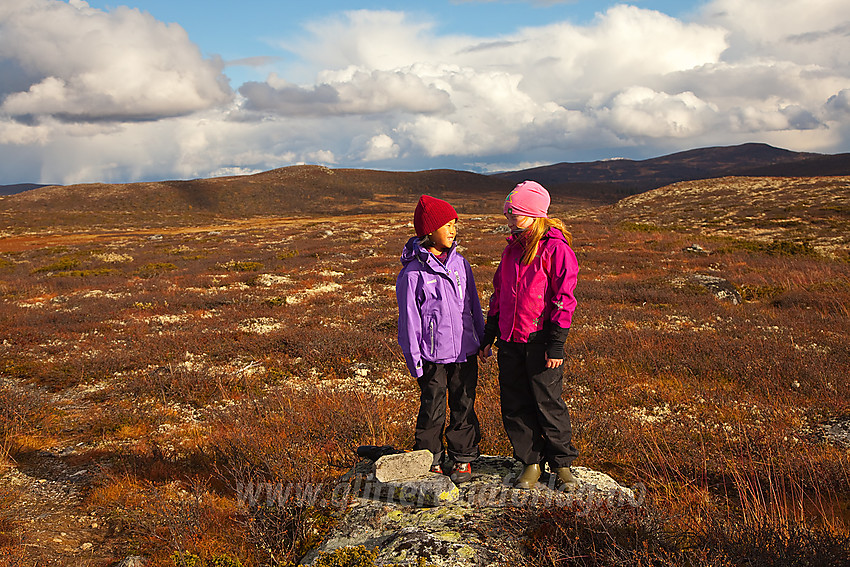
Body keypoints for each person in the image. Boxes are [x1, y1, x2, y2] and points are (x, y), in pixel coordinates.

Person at [479, 180, 580, 490]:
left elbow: (563, 299)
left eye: (516, 214)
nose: (510, 221)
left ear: (535, 215)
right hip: (510, 343)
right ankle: (531, 463)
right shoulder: (510, 251)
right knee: (515, 403)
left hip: (540, 344)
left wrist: (556, 344)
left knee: (548, 403)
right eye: (509, 214)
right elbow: (499, 296)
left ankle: (562, 465)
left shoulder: (556, 249)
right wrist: (489, 336)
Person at [396, 195, 485, 483]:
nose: (452, 230)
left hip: (465, 351)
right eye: (446, 225)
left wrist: (482, 340)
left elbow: (473, 304)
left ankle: (463, 457)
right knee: (432, 407)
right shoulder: (412, 274)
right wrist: (415, 361)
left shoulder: (461, 264)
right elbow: (409, 322)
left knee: (464, 404)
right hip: (432, 356)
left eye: (454, 224)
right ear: (429, 231)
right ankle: (430, 456)